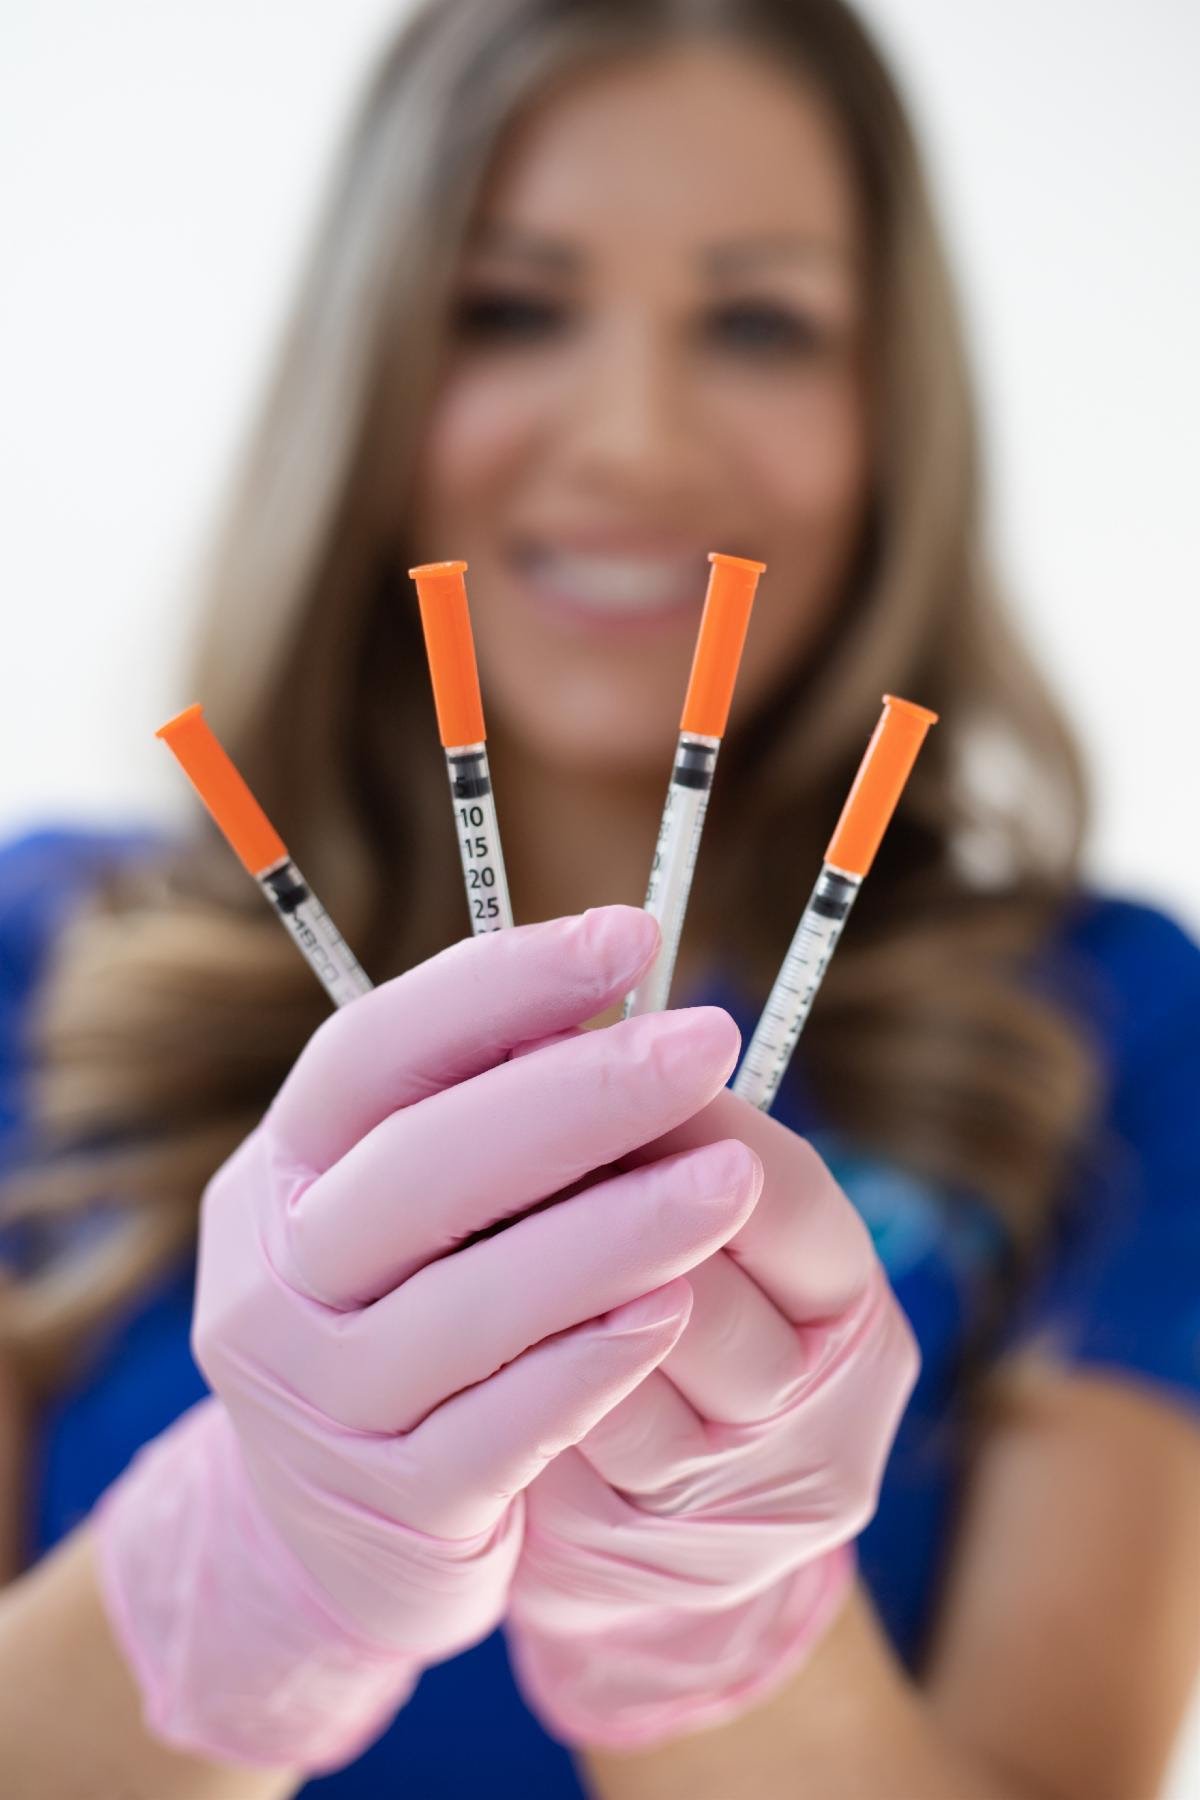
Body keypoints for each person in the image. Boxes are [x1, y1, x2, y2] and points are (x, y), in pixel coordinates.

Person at [1, 1, 1198, 1795]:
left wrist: (708, 1629)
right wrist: (246, 1577)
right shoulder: (44, 975)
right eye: (510, 307)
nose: (633, 442)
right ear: (370, 370)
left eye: (759, 321)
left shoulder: (1106, 1031)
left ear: (894, 408)